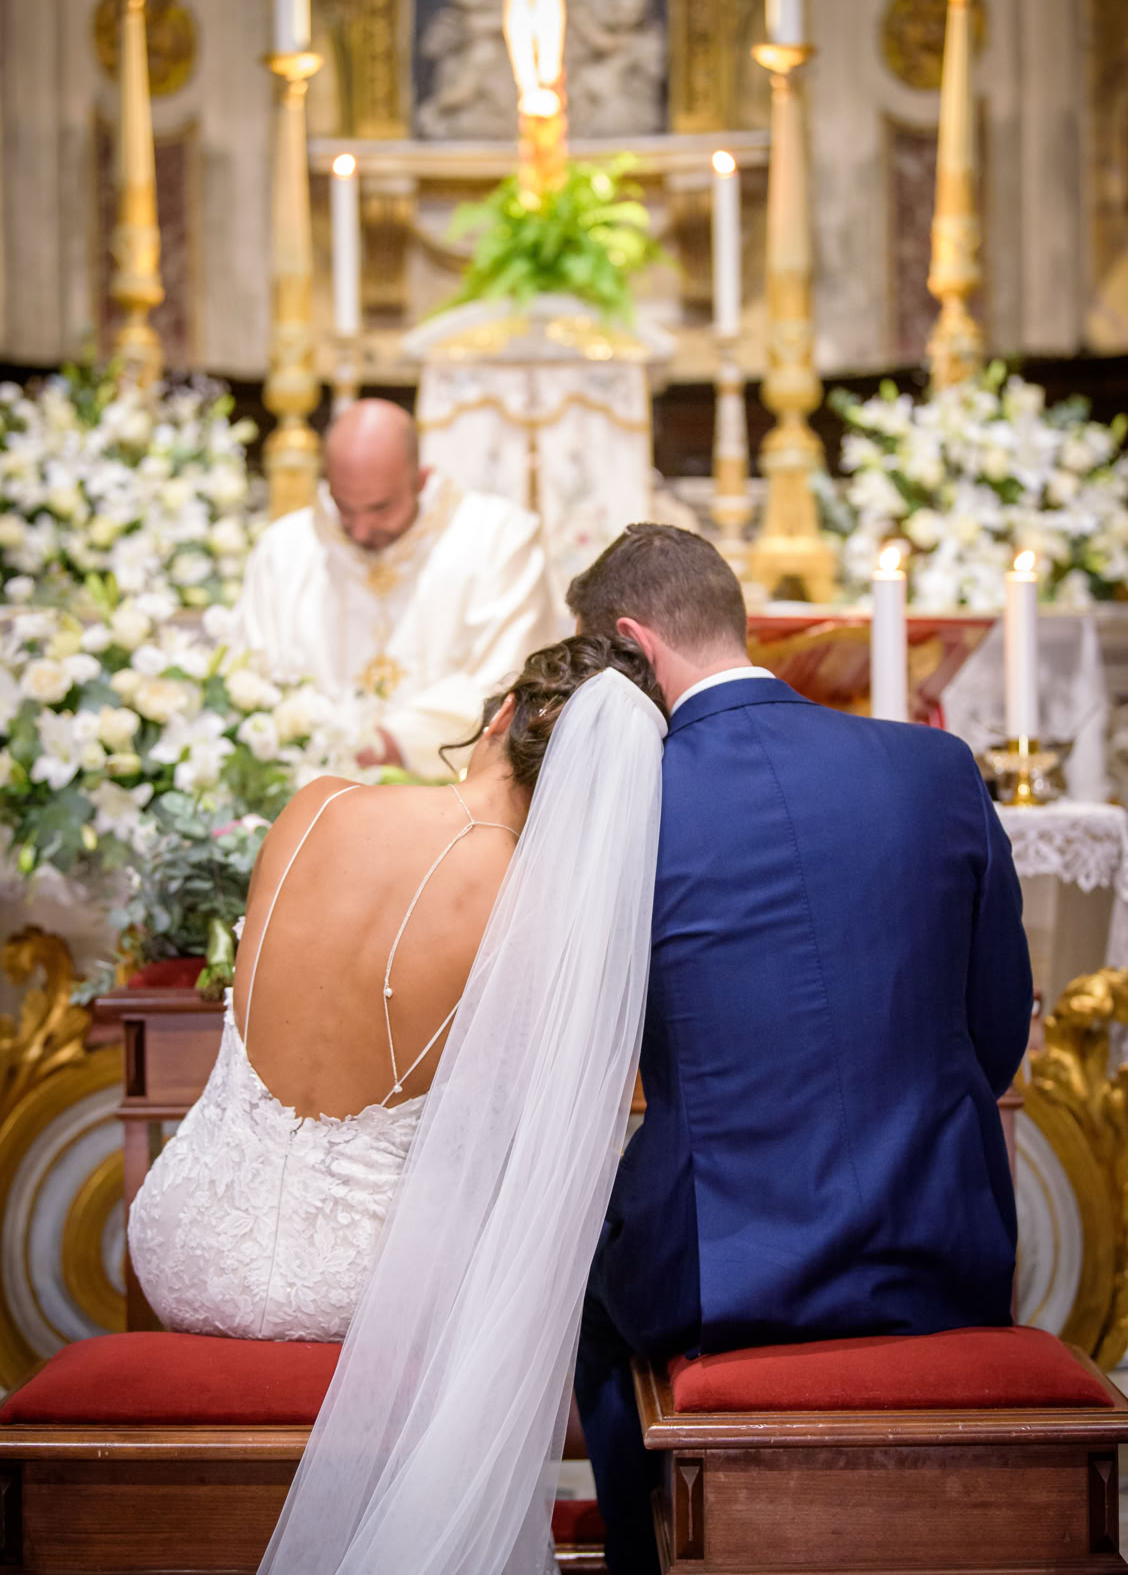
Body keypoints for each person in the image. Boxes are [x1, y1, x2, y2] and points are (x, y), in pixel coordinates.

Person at [127, 630, 668, 1575]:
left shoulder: (317, 807)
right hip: (364, 1290)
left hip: (181, 1248)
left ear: (503, 715)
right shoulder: (529, 908)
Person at [565, 523, 1034, 1575]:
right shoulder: (937, 766)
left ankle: (652, 1556)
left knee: (584, 1298)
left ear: (633, 647)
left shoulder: (632, 808)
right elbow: (997, 1028)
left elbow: (599, 1062)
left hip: (723, 1276)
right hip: (945, 1246)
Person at [230, 398, 557, 777]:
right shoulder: (283, 551)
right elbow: (251, 679)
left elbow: (512, 678)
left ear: (420, 479)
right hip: (308, 788)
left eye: (381, 508)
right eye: (344, 507)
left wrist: (393, 743)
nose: (360, 530)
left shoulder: (499, 539)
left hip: (450, 795)